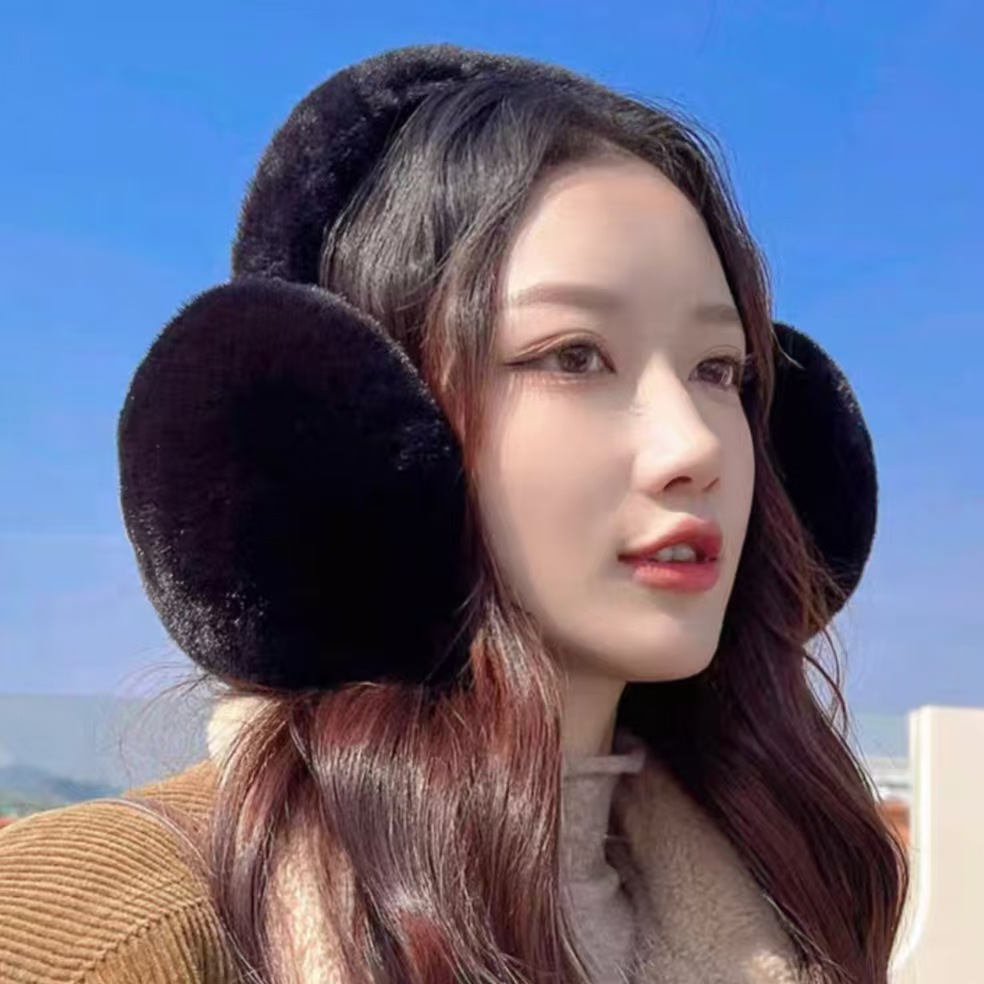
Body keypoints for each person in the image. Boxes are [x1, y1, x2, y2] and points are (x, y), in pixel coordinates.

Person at [0, 43, 908, 984]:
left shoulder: (800, 895)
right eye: (574, 356)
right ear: (365, 432)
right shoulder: (114, 933)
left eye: (718, 370)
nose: (696, 447)